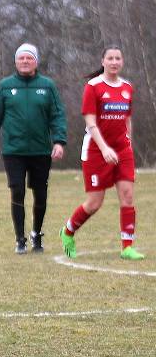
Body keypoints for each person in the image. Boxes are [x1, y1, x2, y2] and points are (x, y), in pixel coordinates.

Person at [59, 46, 144, 260]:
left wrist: (129, 145)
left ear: (122, 62)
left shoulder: (127, 88)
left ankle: (127, 247)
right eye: (110, 58)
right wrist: (105, 148)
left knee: (127, 195)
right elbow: (90, 122)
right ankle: (68, 231)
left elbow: (127, 119)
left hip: (122, 150)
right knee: (95, 203)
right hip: (97, 150)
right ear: (103, 61)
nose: (114, 62)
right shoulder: (93, 87)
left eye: (118, 58)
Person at [0, 43, 67, 254]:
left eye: (29, 58)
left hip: (40, 150)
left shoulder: (47, 86)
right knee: (17, 191)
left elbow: (57, 116)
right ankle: (20, 238)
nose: (25, 62)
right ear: (16, 61)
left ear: (36, 62)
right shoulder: (5, 86)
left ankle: (36, 233)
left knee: (40, 194)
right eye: (21, 58)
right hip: (14, 151)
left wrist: (59, 141)